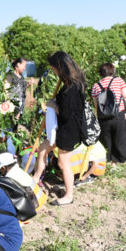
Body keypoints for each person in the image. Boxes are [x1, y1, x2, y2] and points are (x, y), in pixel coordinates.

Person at [32, 51, 87, 206]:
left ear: (60, 67)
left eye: (54, 68)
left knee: (64, 164)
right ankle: (35, 180)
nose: (54, 71)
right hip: (61, 129)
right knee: (42, 149)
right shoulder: (74, 83)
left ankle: (69, 195)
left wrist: (53, 106)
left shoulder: (71, 89)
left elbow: (67, 114)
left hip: (68, 131)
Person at [91, 63, 126, 166]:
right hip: (118, 114)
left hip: (103, 117)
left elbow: (96, 105)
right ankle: (115, 161)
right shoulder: (118, 81)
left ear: (101, 73)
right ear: (112, 71)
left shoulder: (96, 86)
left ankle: (105, 160)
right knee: (119, 137)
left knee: (105, 138)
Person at [4, 57, 34, 123]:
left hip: (20, 105)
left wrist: (28, 83)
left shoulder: (21, 76)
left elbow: (22, 88)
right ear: (18, 64)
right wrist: (7, 102)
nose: (25, 68)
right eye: (24, 66)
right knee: (11, 123)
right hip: (12, 105)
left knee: (16, 123)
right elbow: (5, 89)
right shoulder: (10, 75)